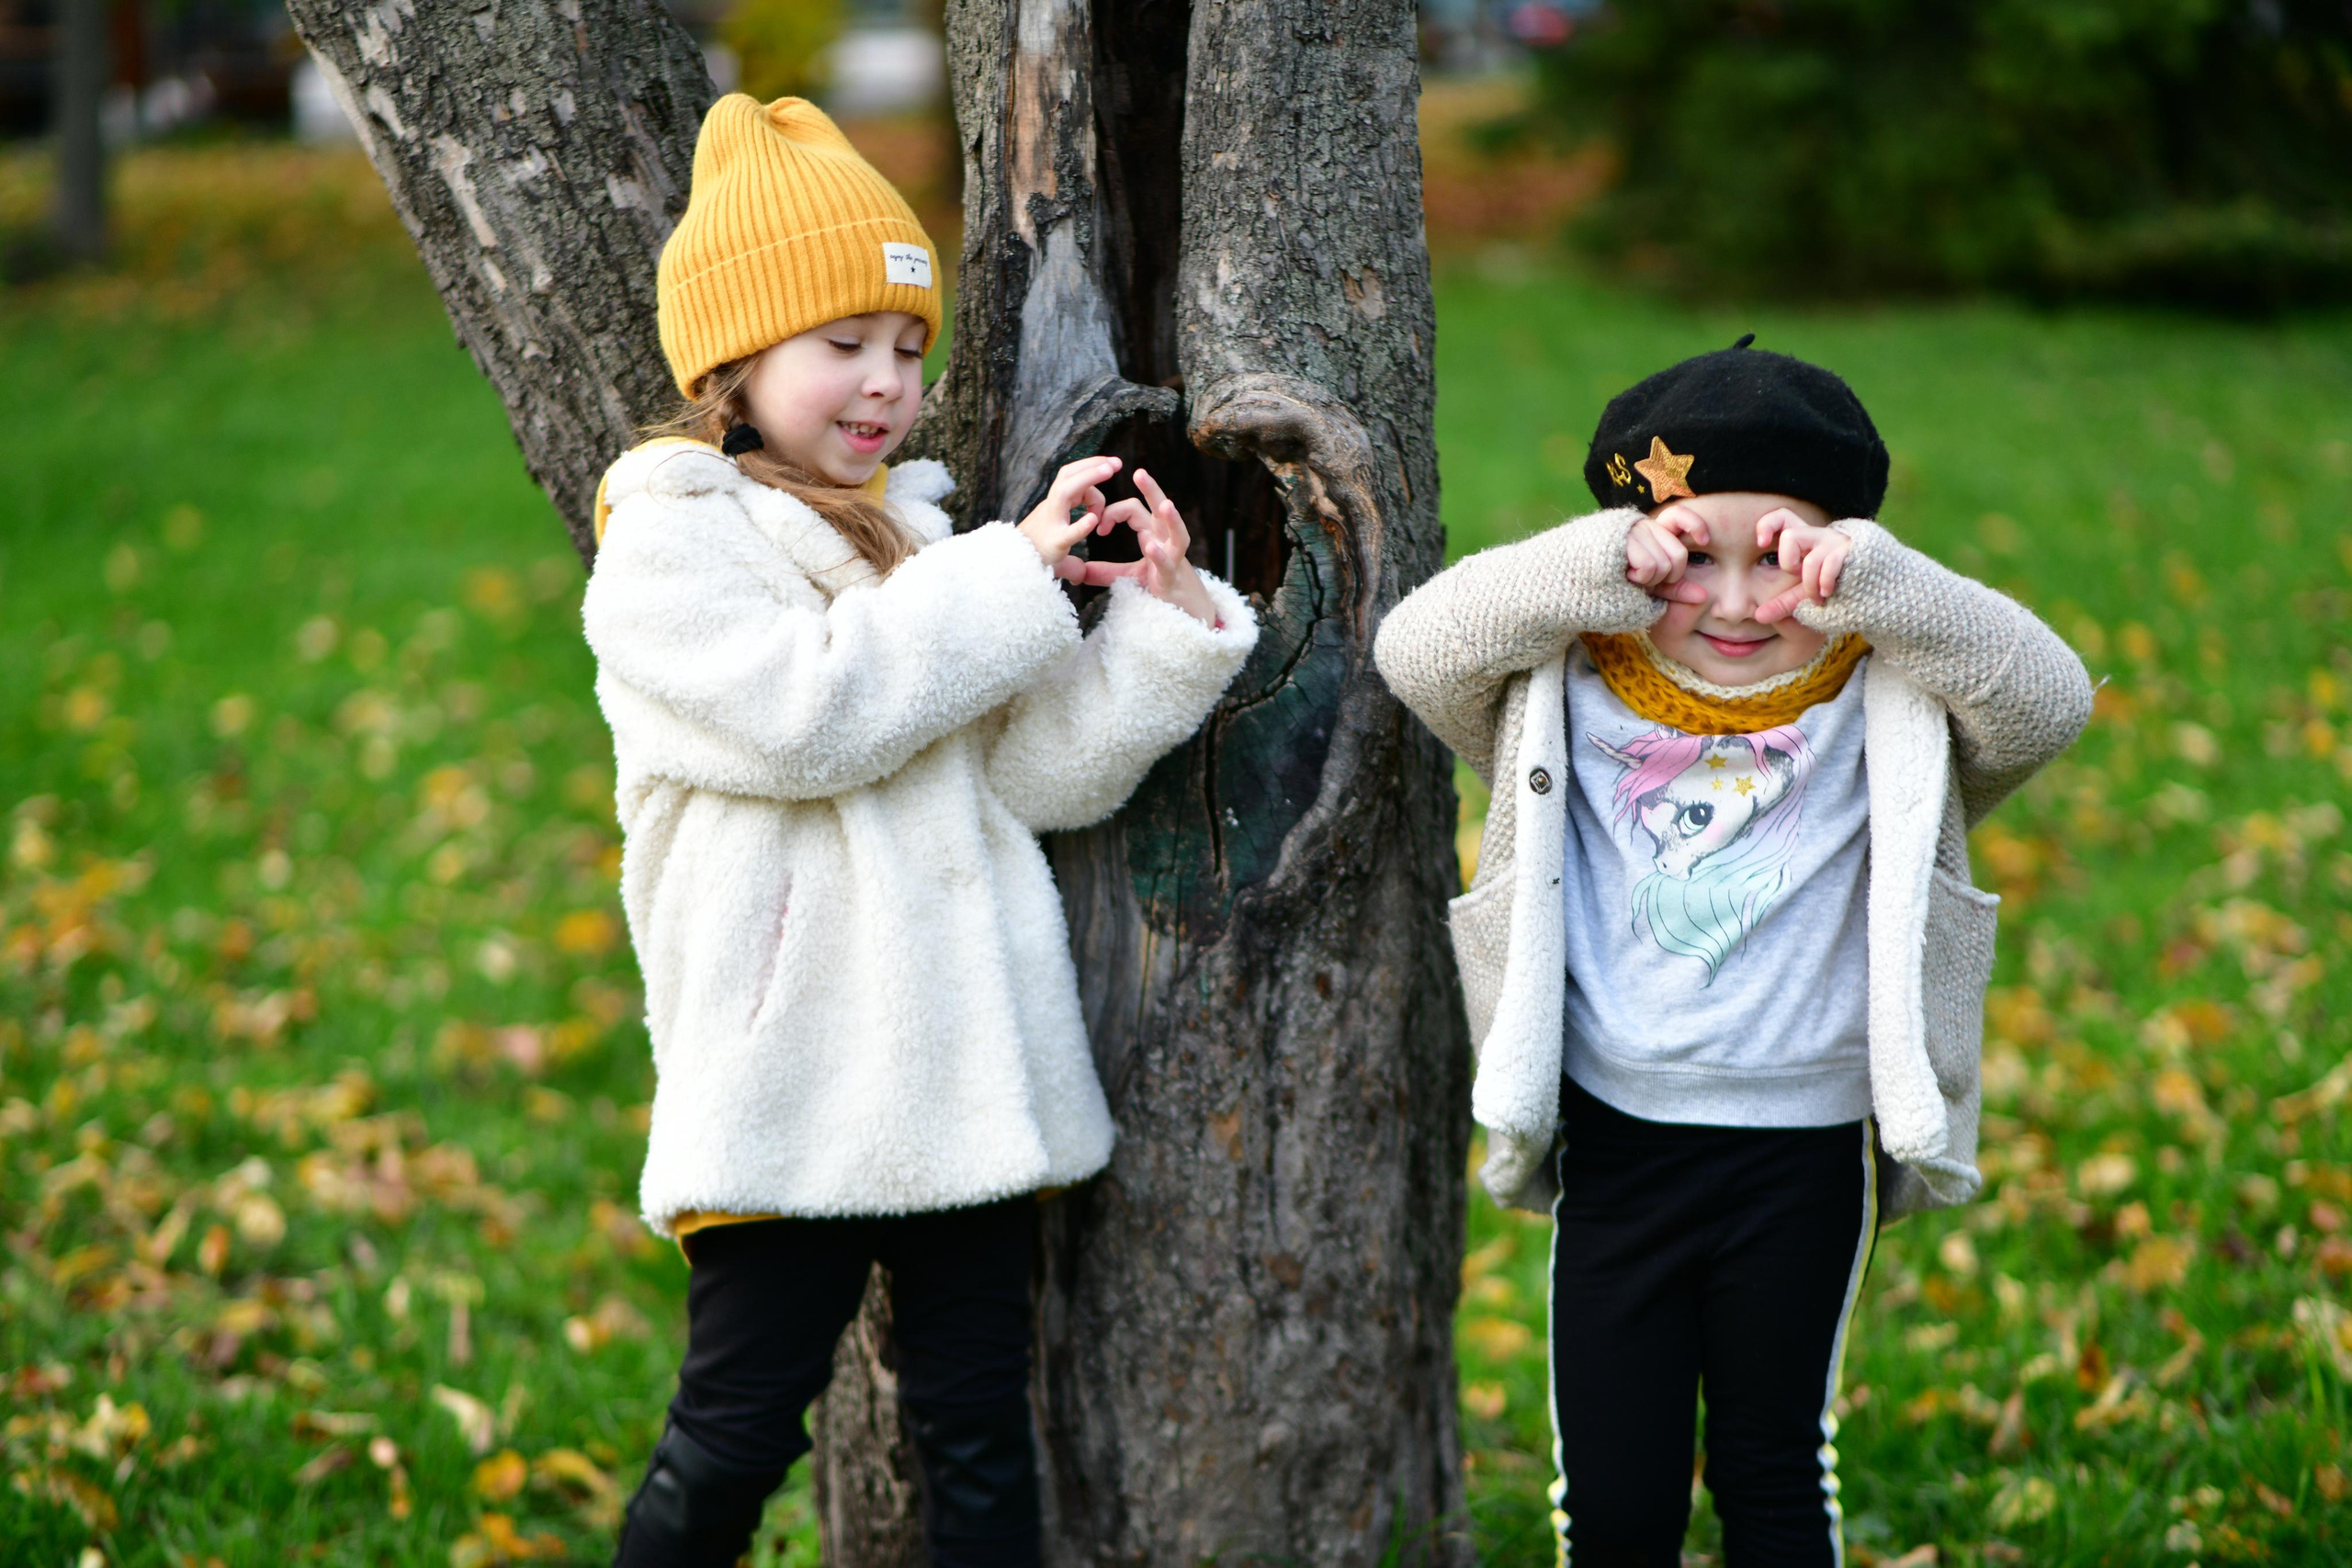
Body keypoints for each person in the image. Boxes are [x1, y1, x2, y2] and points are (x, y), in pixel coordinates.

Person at [582, 95, 1259, 1568]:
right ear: (733, 362)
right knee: (736, 1428)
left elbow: (1027, 784)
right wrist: (1009, 578)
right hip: (789, 1077)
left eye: (907, 347)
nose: (887, 383)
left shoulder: (923, 538)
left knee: (976, 1429)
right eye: (842, 347)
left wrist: (1156, 637)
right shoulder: (668, 547)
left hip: (963, 1067)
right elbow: (810, 715)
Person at [1374, 337, 2091, 1566]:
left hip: (1805, 1156)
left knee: (1774, 1474)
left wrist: (1883, 586)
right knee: (1616, 1502)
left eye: (1786, 557)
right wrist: (1594, 563)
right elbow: (1418, 648)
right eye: (1695, 556)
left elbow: (2049, 698)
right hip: (1618, 1143)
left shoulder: (1886, 700)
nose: (1744, 602)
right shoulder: (1568, 690)